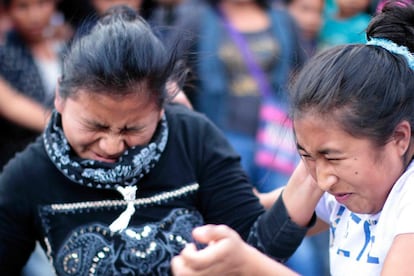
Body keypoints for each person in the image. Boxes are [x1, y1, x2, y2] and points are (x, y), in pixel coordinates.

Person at [0, 6, 320, 274]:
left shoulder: (191, 137)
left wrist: (310, 177)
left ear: (163, 105)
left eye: (132, 129)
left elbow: (256, 246)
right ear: (59, 97)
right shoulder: (28, 176)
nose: (111, 146)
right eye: (93, 126)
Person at [171, 2, 414, 275]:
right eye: (306, 156)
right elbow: (254, 210)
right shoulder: (342, 181)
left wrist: (250, 266)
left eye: (332, 157)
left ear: (399, 138)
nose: (322, 180)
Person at [0, 0, 67, 169]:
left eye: (42, 4)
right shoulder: (5, 55)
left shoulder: (68, 44)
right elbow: (11, 104)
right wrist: (74, 125)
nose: (34, 16)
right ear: (8, 11)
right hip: (25, 158)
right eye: (22, 7)